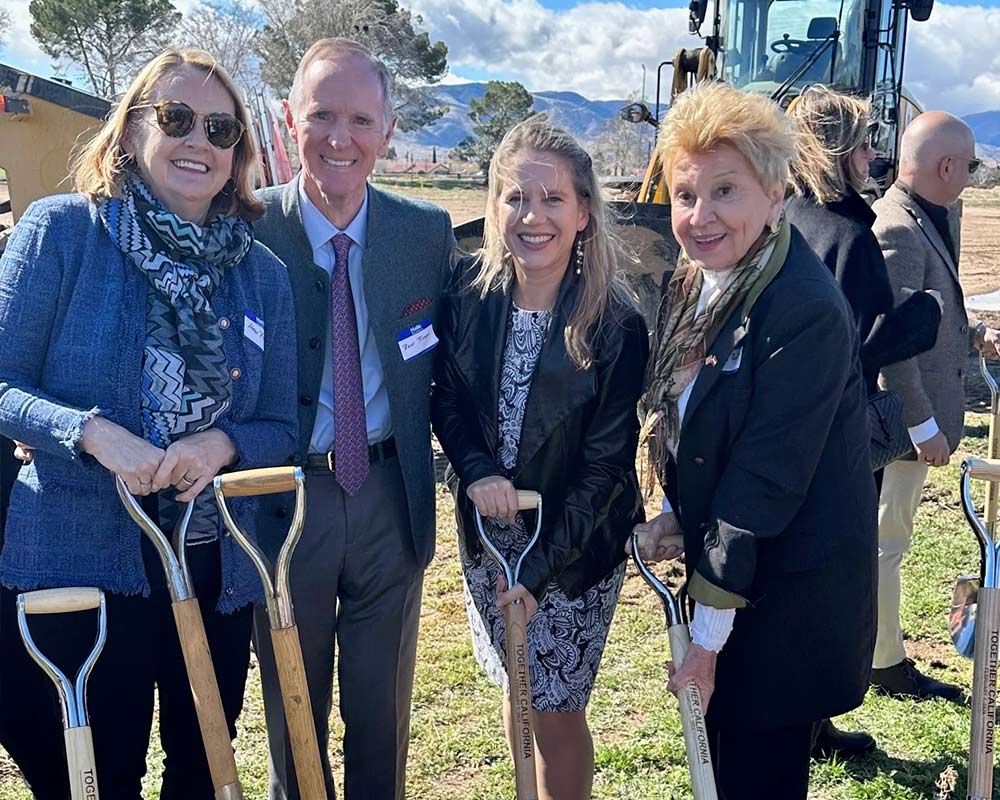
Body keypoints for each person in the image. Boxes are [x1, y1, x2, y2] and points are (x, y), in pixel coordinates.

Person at [0, 49, 297, 799]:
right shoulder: (63, 233)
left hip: (213, 556)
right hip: (86, 558)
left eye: (221, 129)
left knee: (205, 767)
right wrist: (92, 433)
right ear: (131, 132)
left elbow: (278, 423)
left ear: (238, 157)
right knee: (99, 774)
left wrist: (221, 441)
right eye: (176, 119)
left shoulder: (263, 275)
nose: (199, 141)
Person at [633, 82, 877, 799]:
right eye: (685, 194)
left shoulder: (800, 307)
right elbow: (713, 433)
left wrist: (705, 644)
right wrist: (680, 514)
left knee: (754, 779)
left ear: (774, 194)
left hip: (783, 605)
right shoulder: (704, 282)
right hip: (736, 577)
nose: (700, 216)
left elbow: (764, 479)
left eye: (725, 191)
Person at [250, 38, 455, 800]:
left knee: (381, 714)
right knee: (292, 717)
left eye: (361, 119)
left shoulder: (424, 233)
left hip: (387, 501)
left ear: (389, 130)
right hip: (280, 503)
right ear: (289, 120)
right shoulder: (249, 227)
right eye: (322, 116)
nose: (341, 139)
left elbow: (454, 366)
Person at [431, 115, 648, 800]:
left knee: (554, 709)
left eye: (553, 199)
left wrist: (540, 568)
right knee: (515, 687)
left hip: (573, 547)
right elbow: (447, 401)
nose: (533, 216)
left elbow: (606, 465)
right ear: (494, 206)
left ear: (583, 212)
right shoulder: (467, 298)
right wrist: (476, 470)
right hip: (491, 535)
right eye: (515, 197)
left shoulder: (615, 324)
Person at [785, 84, 942, 758]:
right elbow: (860, 344)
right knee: (828, 589)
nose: (873, 153)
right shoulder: (850, 231)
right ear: (837, 150)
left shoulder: (781, 219)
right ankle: (809, 724)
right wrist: (916, 324)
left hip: (782, 434)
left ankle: (805, 722)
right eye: (864, 142)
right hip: (839, 439)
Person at [871, 111, 1000, 700]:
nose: (970, 178)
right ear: (947, 166)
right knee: (886, 541)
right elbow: (894, 344)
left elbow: (929, 315)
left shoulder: (919, 217)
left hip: (911, 423)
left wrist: (970, 333)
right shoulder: (898, 226)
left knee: (891, 539)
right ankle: (883, 660)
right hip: (902, 423)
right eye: (969, 166)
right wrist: (922, 422)